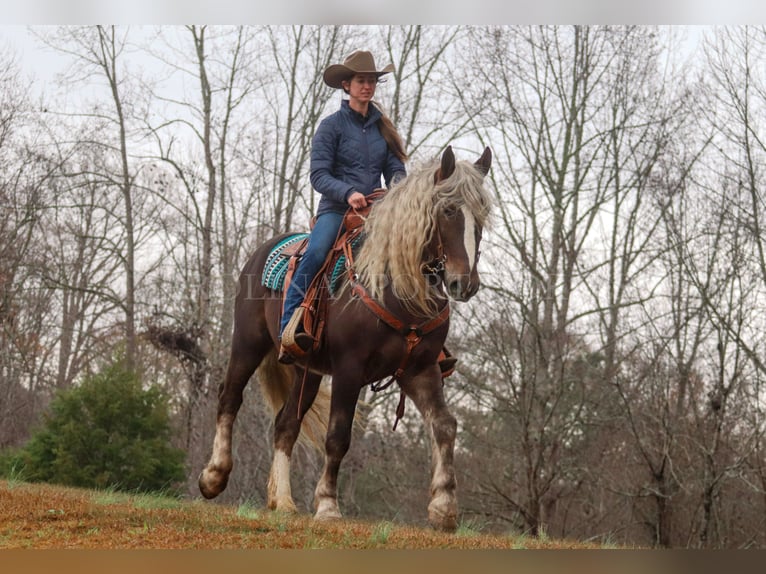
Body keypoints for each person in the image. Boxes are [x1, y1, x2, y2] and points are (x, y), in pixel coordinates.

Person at [278, 50, 408, 364]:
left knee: (411, 251)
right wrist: (348, 192)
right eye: (361, 81)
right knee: (316, 253)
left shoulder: (382, 129)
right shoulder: (331, 126)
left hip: (376, 212)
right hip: (336, 211)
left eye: (372, 81)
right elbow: (318, 174)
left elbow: (395, 170)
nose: (367, 86)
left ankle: (423, 335)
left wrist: (399, 191)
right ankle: (288, 329)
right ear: (346, 85)